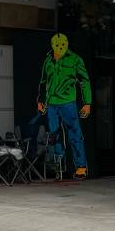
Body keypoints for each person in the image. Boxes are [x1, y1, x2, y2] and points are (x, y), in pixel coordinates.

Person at [37, 33, 91, 179]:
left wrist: (87, 103)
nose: (60, 48)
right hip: (52, 105)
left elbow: (84, 81)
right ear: (53, 45)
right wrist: (40, 101)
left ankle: (80, 167)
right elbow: (43, 83)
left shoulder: (74, 59)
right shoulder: (48, 61)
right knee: (53, 136)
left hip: (68, 103)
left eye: (63, 45)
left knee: (74, 134)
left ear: (67, 44)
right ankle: (58, 166)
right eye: (57, 45)